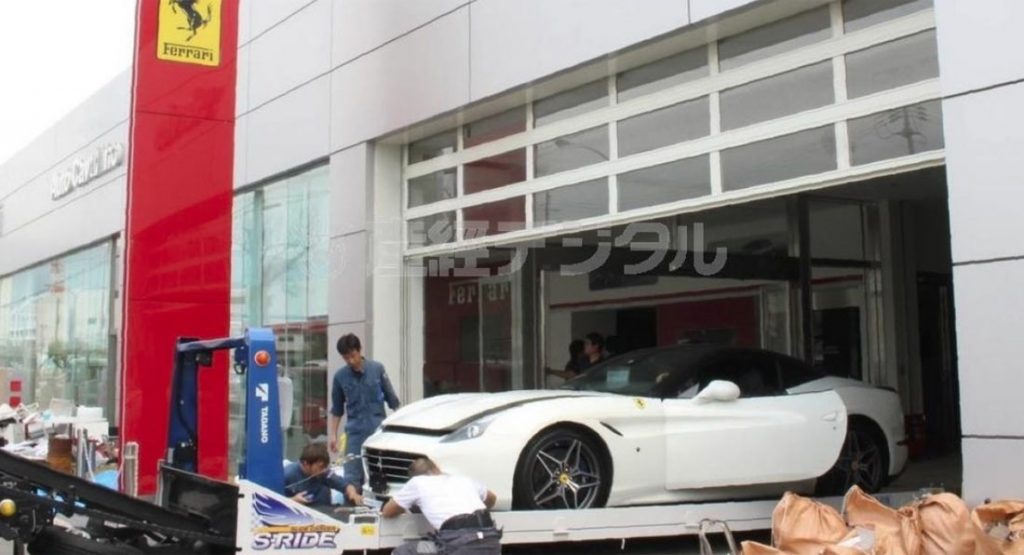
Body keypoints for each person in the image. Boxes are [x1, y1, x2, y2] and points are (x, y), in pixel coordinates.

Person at [329, 333, 401, 505]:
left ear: (359, 350)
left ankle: (383, 510)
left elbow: (393, 400)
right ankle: (351, 509)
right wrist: (332, 435)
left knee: (382, 474)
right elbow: (337, 409)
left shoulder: (377, 369)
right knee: (352, 475)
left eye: (353, 356)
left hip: (378, 433)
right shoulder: (340, 377)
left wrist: (400, 428)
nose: (351, 361)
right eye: (346, 358)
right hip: (355, 433)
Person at [382, 457, 501, 555]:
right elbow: (492, 498)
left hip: (457, 544)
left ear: (414, 477)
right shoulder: (462, 479)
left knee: (403, 551)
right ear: (437, 468)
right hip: (491, 540)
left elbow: (388, 512)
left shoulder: (417, 482)